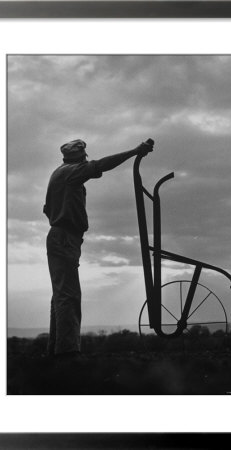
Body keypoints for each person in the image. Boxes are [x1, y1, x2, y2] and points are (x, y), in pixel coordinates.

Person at [43, 138, 154, 358]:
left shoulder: (59, 173)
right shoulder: (71, 173)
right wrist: (134, 151)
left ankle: (56, 350)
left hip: (62, 236)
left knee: (61, 294)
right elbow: (101, 165)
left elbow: (47, 209)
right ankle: (67, 353)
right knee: (68, 295)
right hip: (65, 237)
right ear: (81, 158)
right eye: (85, 158)